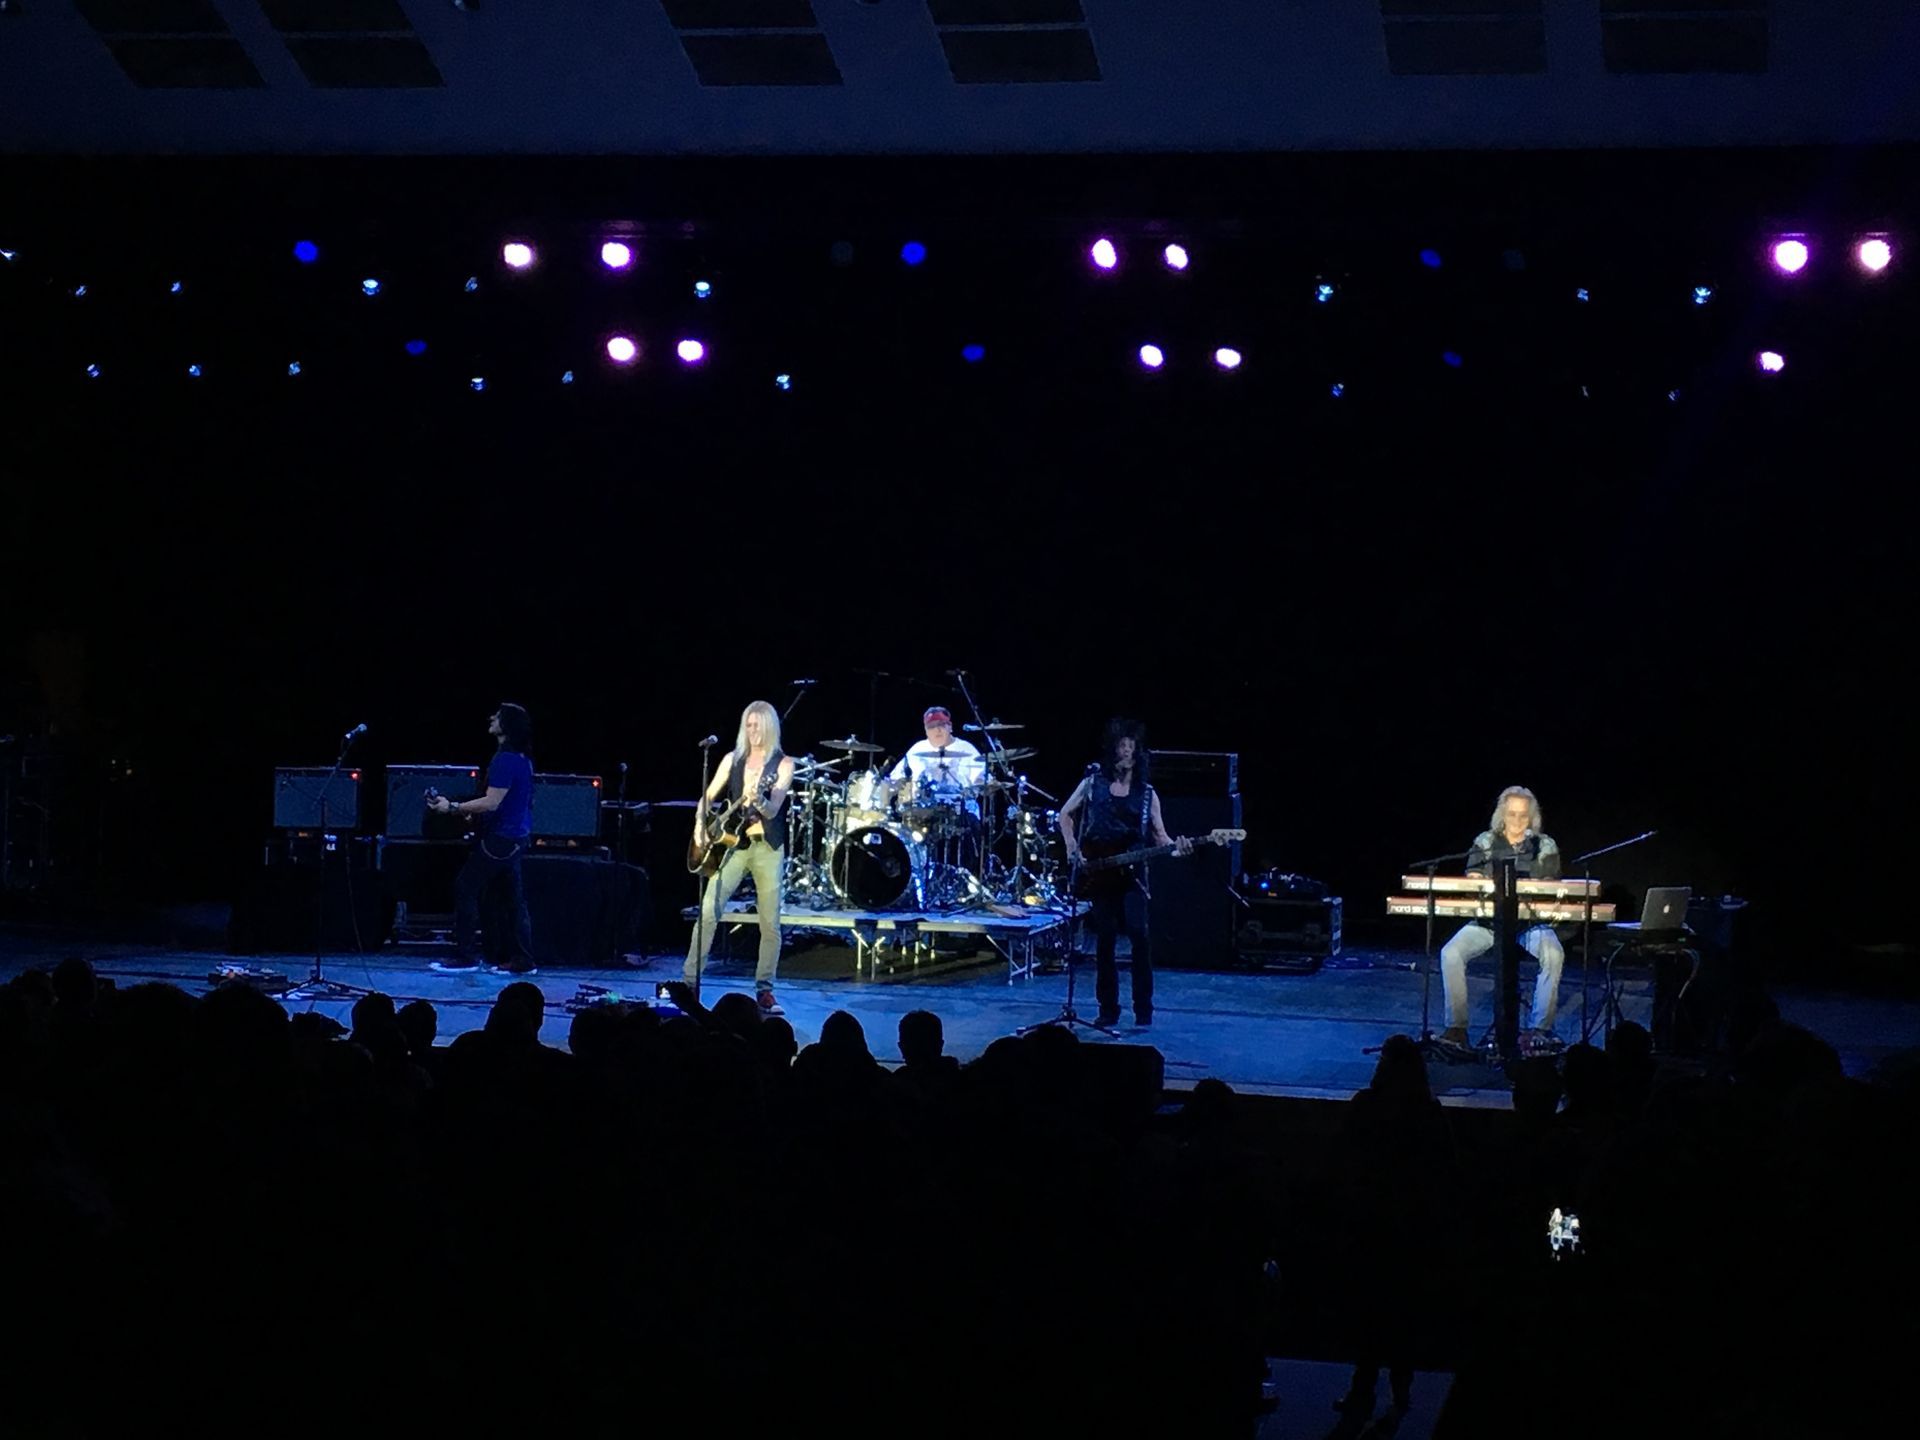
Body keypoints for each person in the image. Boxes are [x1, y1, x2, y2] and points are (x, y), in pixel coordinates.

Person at [1057, 718, 1189, 1028]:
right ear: (1113, 751)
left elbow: (1160, 836)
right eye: (1121, 747)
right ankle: (1108, 1009)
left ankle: (1143, 1008)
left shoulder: (1147, 794)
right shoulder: (1093, 783)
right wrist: (1071, 847)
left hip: (1133, 876)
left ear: (1138, 754)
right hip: (1099, 871)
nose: (1126, 753)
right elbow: (1065, 814)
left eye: (1131, 748)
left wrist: (1177, 848)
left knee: (1139, 936)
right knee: (1104, 939)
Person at [685, 700, 795, 1016]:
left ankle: (765, 990)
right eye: (748, 724)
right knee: (707, 911)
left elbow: (773, 808)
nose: (753, 730)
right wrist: (699, 829)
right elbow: (707, 798)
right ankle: (689, 982)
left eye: (758, 724)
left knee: (770, 922)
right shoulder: (732, 759)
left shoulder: (783, 764)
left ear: (770, 727)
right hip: (733, 846)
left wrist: (758, 798)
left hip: (767, 848)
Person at [1438, 785, 1566, 1047]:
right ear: (1502, 815)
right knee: (1450, 953)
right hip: (1489, 922)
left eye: (1523, 815)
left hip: (1529, 923)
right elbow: (1473, 875)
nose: (1517, 821)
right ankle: (1457, 1028)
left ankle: (1538, 1030)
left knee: (1554, 954)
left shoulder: (1544, 844)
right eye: (1512, 815)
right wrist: (1480, 879)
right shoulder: (1485, 841)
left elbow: (1550, 882)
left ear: (1531, 817)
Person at [429, 704, 536, 975]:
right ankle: (522, 960)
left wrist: (452, 807)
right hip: (514, 838)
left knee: (465, 887)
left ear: (507, 725)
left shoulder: (505, 760)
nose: (491, 718)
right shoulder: (521, 759)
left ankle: (466, 957)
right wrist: (469, 814)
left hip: (502, 839)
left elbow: (492, 802)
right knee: (512, 900)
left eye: (497, 716)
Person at [889, 706, 986, 812]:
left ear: (950, 726)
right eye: (931, 727)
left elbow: (981, 779)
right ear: (926, 730)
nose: (937, 730)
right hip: (922, 812)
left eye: (941, 725)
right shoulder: (917, 749)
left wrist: (980, 784)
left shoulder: (967, 748)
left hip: (961, 811)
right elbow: (897, 778)